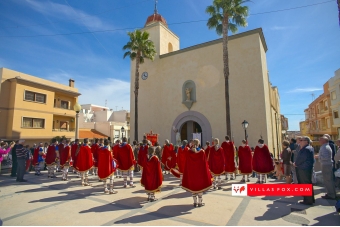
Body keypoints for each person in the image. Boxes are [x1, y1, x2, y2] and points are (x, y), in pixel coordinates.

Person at [182, 139, 212, 207]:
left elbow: (187, 163)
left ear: (192, 143)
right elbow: (205, 164)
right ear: (198, 143)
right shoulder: (202, 152)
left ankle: (195, 202)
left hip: (191, 172)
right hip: (200, 173)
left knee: (193, 187)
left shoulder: (189, 152)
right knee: (200, 187)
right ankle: (200, 202)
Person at [294, 136, 315, 205]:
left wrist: (296, 163)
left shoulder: (306, 149)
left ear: (306, 141)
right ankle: (310, 199)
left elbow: (301, 158)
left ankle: (308, 200)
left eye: (301, 140)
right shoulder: (307, 148)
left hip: (304, 169)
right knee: (307, 184)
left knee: (305, 184)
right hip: (305, 168)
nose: (300, 141)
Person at [318, 134, 336, 200]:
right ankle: (331, 193)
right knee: (328, 180)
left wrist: (319, 157)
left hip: (326, 165)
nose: (319, 140)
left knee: (328, 180)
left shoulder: (325, 147)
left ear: (324, 141)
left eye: (321, 139)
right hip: (327, 164)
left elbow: (325, 157)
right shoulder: (325, 146)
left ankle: (331, 195)